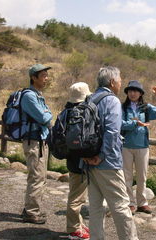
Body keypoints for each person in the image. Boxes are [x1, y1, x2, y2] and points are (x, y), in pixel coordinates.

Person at [83, 66, 139, 240]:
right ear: (112, 82)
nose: (121, 82)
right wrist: (101, 156)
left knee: (95, 208)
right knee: (121, 206)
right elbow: (113, 132)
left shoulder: (89, 99)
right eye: (120, 79)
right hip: (107, 163)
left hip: (88, 161)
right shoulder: (112, 101)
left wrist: (88, 156)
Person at [121, 80, 156, 214]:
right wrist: (136, 124)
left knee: (142, 176)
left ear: (141, 93)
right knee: (127, 176)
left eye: (135, 91)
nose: (132, 93)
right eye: (130, 90)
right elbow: (120, 124)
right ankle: (130, 203)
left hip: (142, 146)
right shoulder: (122, 107)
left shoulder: (146, 108)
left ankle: (142, 203)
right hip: (125, 146)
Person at [20, 63, 53, 224]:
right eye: (43, 76)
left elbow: (48, 114)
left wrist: (47, 113)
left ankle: (30, 208)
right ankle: (31, 212)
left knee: (39, 176)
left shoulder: (37, 94)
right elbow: (45, 118)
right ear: (34, 78)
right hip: (33, 141)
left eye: (46, 75)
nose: (46, 78)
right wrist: (47, 113)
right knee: (37, 177)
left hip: (38, 140)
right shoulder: (29, 96)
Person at [65, 82, 91, 239]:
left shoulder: (67, 111)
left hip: (71, 158)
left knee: (75, 193)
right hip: (81, 161)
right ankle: (73, 229)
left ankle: (77, 224)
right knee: (76, 198)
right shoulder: (82, 113)